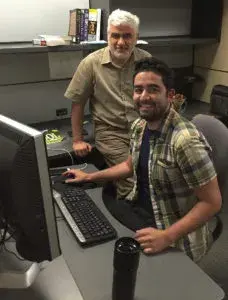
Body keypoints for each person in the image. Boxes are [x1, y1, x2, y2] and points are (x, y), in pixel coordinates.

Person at [63, 57, 222, 262]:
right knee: (93, 232)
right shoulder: (140, 125)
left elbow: (212, 203)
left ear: (170, 95)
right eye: (139, 90)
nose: (144, 96)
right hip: (142, 209)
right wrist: (89, 176)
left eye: (153, 89)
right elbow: (130, 165)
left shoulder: (185, 142)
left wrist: (167, 236)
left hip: (171, 229)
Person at [64, 9, 151, 199]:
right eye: (115, 36)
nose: (121, 42)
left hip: (145, 129)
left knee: (160, 174)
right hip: (111, 133)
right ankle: (134, 219)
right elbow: (78, 103)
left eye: (127, 36)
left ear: (136, 37)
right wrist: (78, 140)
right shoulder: (91, 64)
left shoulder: (146, 61)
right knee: (132, 179)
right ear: (107, 36)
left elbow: (157, 97)